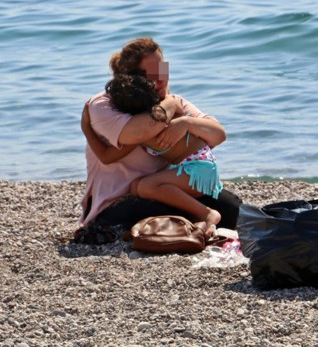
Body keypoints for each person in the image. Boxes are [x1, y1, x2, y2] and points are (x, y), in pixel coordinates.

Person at [79, 37, 241, 233]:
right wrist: (171, 104)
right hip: (118, 201)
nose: (162, 80)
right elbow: (141, 131)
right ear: (132, 78)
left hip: (166, 185)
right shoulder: (104, 104)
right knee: (156, 207)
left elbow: (218, 134)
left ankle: (198, 221)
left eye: (163, 71)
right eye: (152, 76)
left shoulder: (171, 101)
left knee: (232, 208)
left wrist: (187, 123)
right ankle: (197, 221)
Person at [85, 72, 224, 234]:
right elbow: (178, 108)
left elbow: (106, 156)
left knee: (145, 186)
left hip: (198, 170)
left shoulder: (145, 133)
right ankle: (197, 218)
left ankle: (207, 214)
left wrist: (86, 128)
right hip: (203, 165)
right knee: (137, 187)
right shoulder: (164, 115)